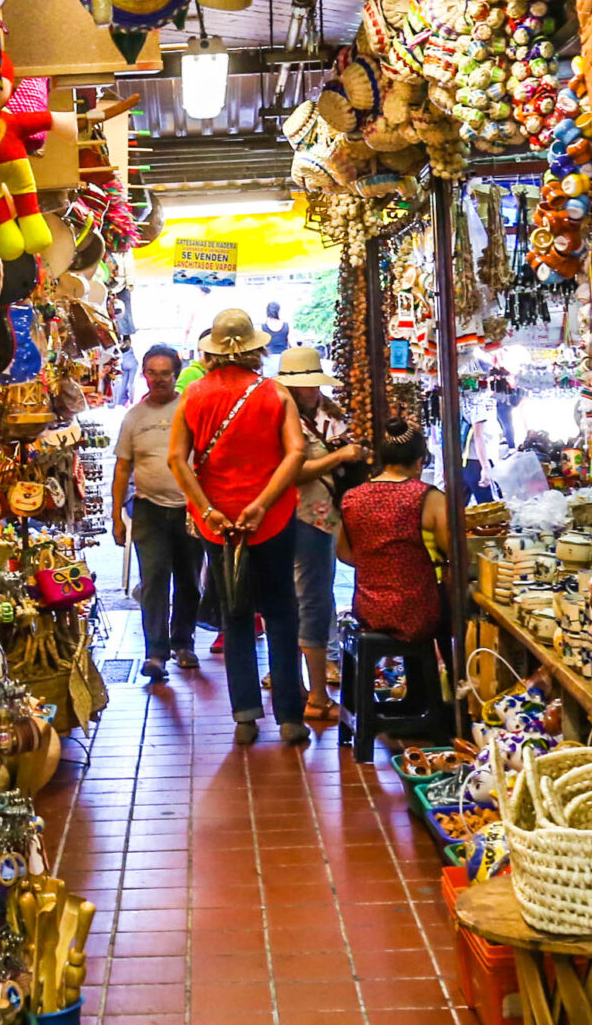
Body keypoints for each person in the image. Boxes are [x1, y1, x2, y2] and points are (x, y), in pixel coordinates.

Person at [169, 306, 308, 744]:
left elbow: (176, 458)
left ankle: (245, 715)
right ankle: (290, 717)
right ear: (254, 348)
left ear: (211, 350)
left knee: (236, 613)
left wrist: (207, 509)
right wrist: (262, 504)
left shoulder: (193, 394)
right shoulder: (275, 393)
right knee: (281, 611)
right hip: (272, 516)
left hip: (218, 524)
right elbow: (296, 452)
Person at [336, 422, 449, 719]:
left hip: (369, 609)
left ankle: (406, 698)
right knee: (452, 613)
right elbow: (452, 550)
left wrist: (377, 565)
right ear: (419, 461)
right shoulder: (428, 497)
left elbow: (344, 553)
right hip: (417, 611)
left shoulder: (353, 497)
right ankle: (446, 704)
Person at [276, 346, 364, 721]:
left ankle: (302, 681)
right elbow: (291, 472)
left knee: (314, 594)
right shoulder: (280, 420)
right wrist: (339, 457)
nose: (311, 390)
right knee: (308, 598)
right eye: (305, 384)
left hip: (325, 514)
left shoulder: (330, 414)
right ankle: (314, 694)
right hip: (297, 515)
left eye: (314, 383)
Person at [111, 345, 203, 677]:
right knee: (153, 579)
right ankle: (155, 654)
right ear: (144, 374)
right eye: (152, 372)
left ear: (176, 374)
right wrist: (116, 517)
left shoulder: (191, 410)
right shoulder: (134, 417)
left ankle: (184, 643)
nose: (159, 379)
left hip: (190, 509)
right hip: (148, 508)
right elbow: (122, 468)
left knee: (189, 580)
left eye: (165, 373)